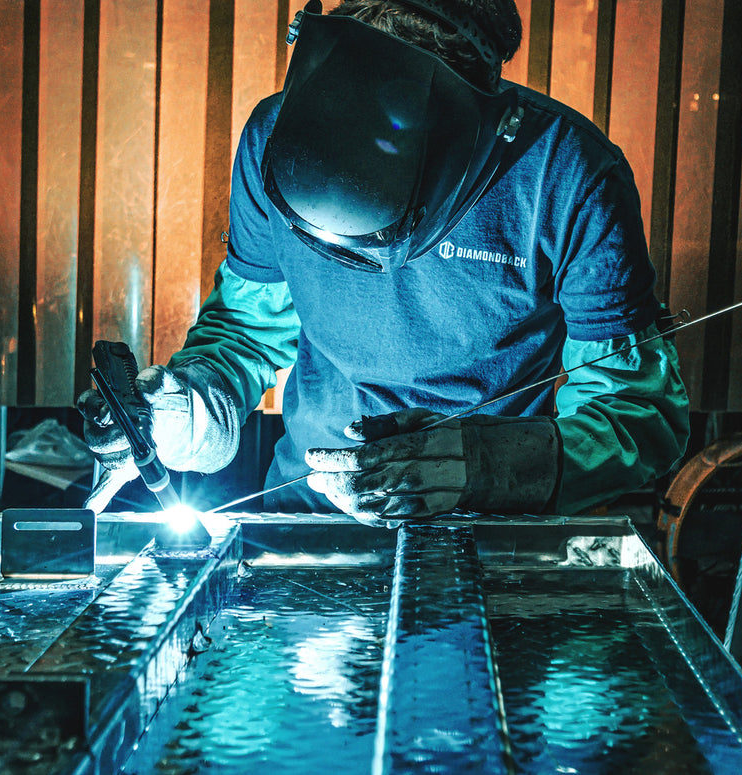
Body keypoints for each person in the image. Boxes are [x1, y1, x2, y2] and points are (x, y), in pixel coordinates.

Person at [79, 0, 689, 518]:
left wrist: (479, 465)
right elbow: (246, 329)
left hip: (491, 533)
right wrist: (185, 408)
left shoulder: (565, 172)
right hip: (307, 515)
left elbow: (638, 413)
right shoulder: (275, 139)